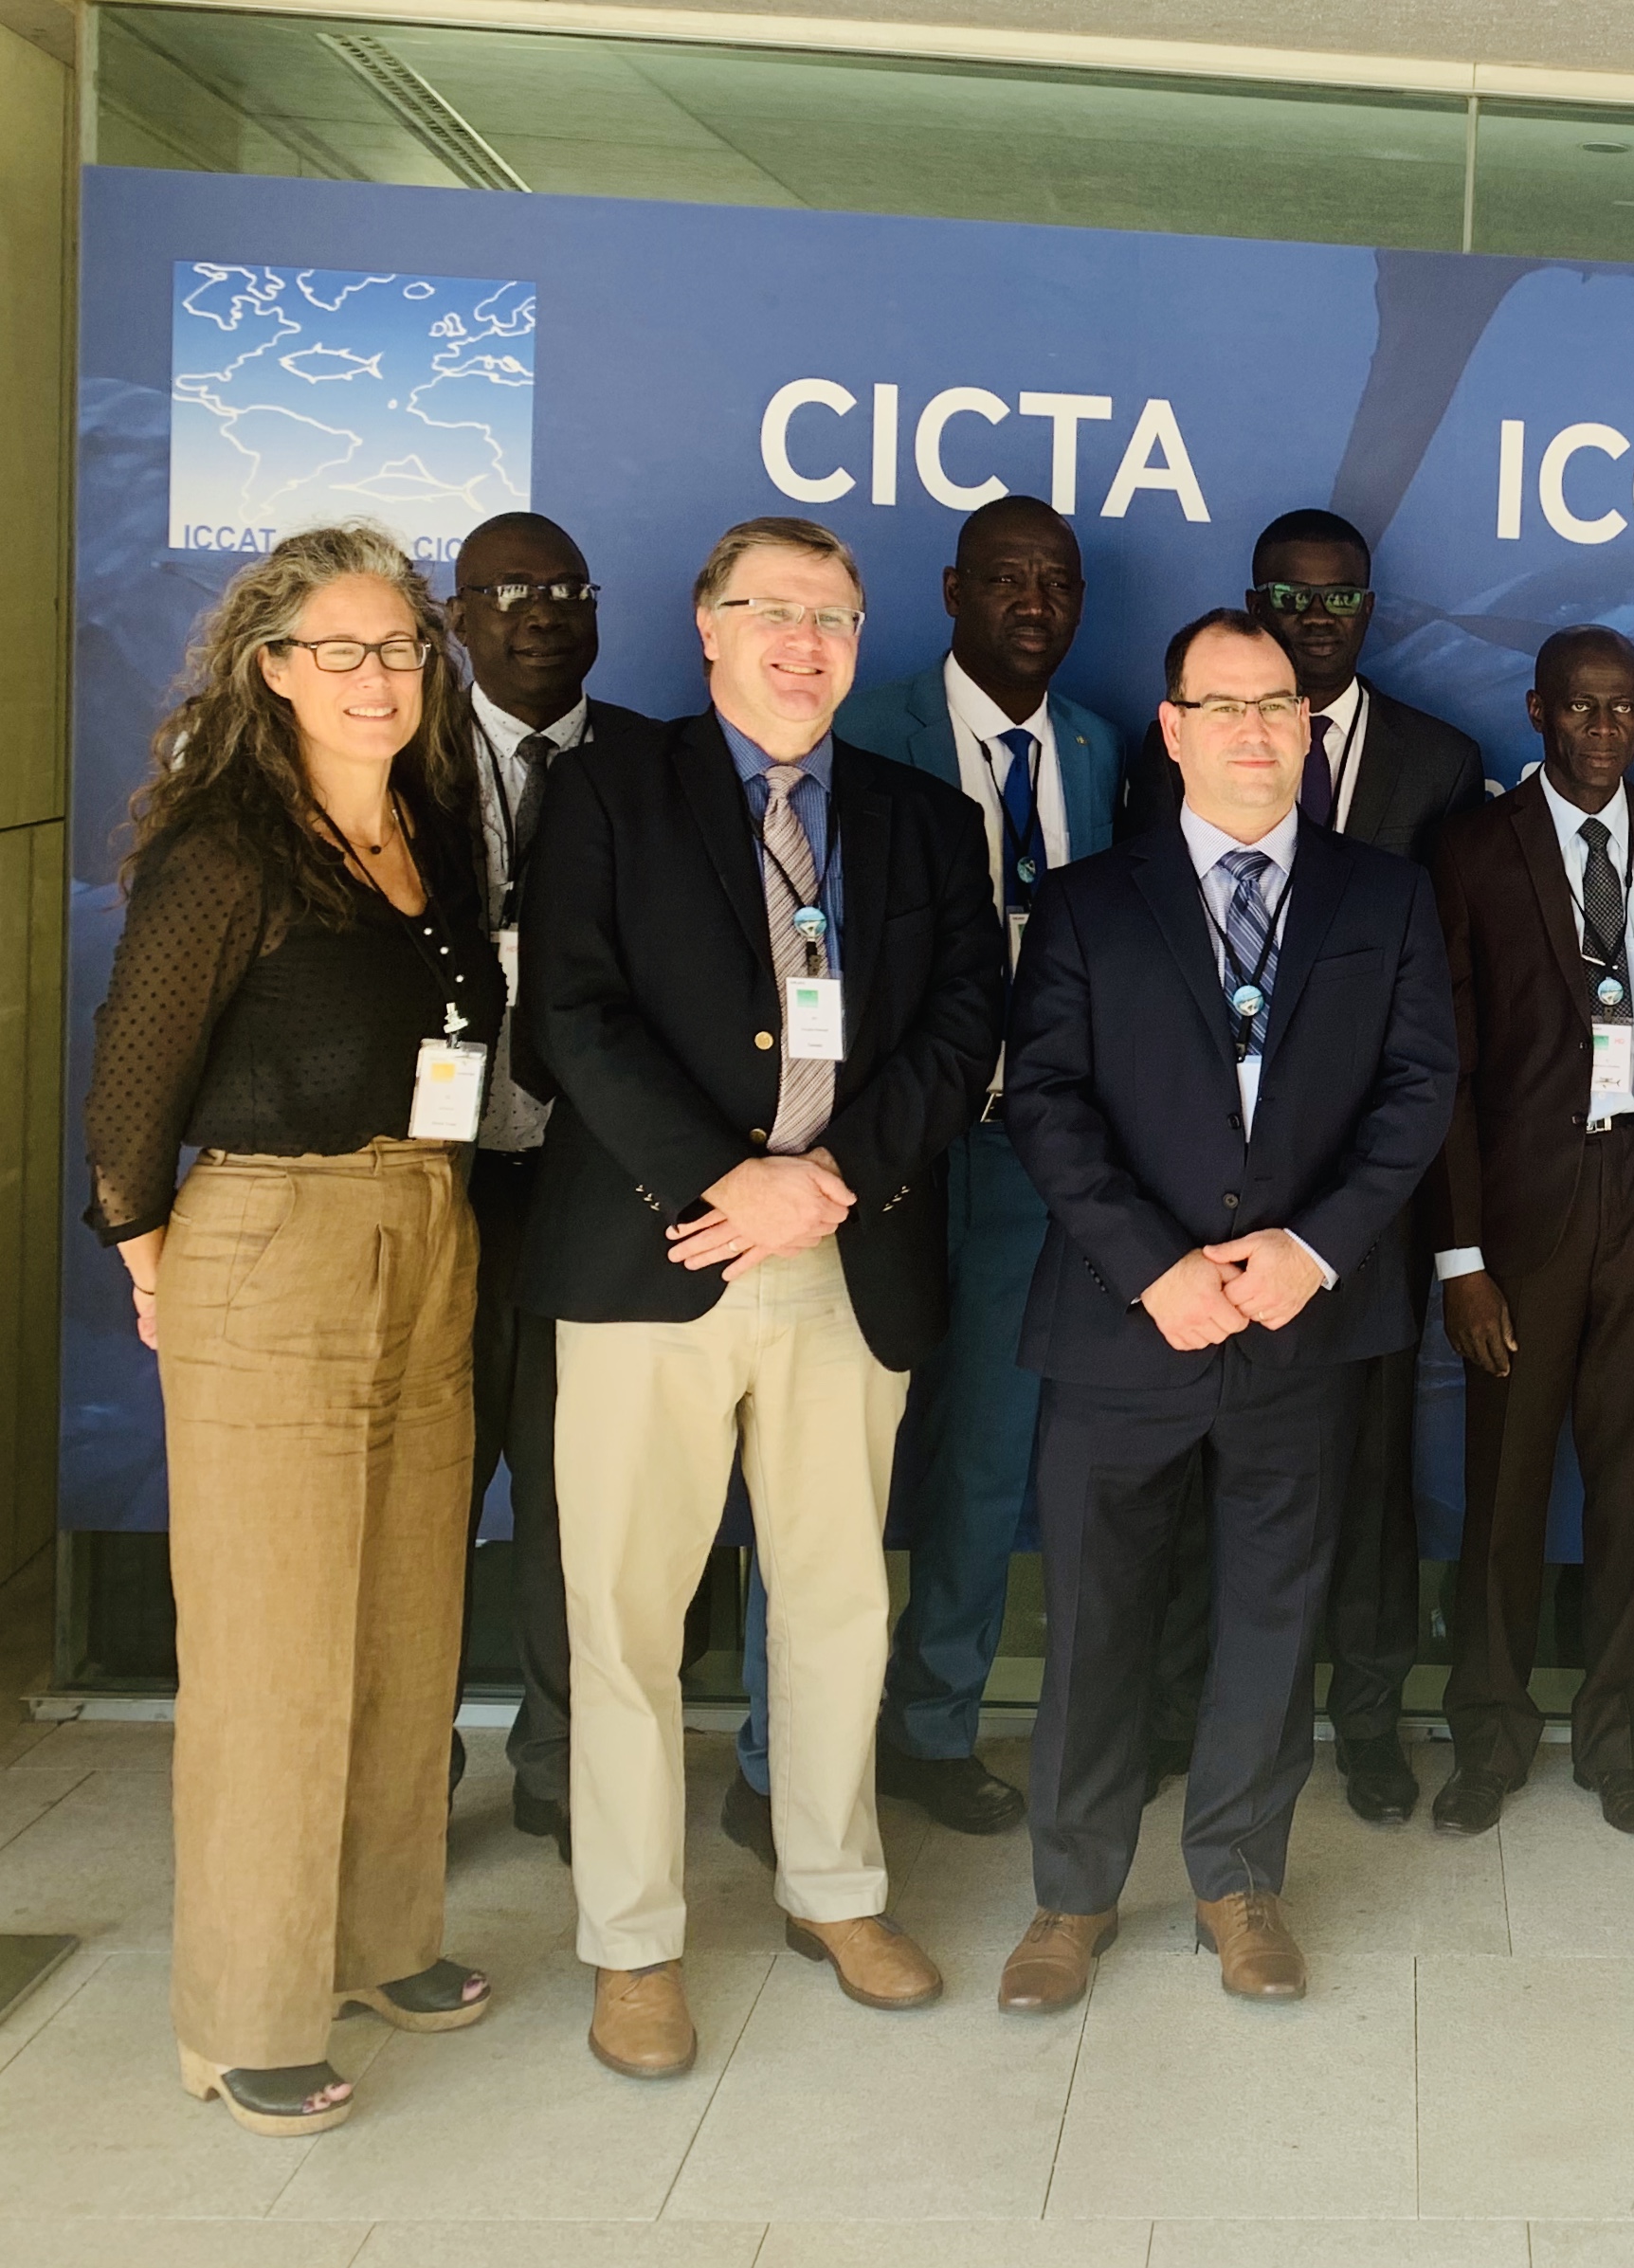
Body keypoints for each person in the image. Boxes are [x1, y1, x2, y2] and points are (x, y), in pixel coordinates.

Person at [525, 517, 1006, 2078]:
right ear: (708, 624)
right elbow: (575, 1015)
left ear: (864, 640)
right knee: (623, 1618)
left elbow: (956, 1026)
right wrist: (724, 1183)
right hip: (654, 1259)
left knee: (837, 1596)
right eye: (772, 610)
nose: (805, 641)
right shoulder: (609, 790)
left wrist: (832, 1178)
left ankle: (833, 1887)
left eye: (833, 616)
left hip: (843, 1263)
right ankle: (636, 1942)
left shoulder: (923, 821)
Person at [85, 521, 504, 2133]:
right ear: (269, 666)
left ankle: (380, 1937)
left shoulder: (434, 834)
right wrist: (142, 1237)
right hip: (271, 1234)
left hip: (430, 1226)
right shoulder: (227, 854)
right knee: (271, 1650)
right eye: (339, 647)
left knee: (405, 1618)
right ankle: (245, 2012)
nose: (378, 676)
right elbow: (135, 1074)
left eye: (401, 647)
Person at [998, 608, 1456, 2012]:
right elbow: (1049, 1104)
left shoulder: (1382, 899)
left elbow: (1417, 1089)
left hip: (1304, 1324)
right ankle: (1071, 1897)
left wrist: (1309, 1250)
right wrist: (1157, 1267)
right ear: (1174, 727)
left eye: (1281, 706)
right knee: (1095, 1622)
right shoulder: (1085, 901)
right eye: (1226, 705)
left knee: (1274, 1612)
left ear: (1308, 728)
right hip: (1123, 1324)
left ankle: (1238, 1881)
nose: (1256, 730)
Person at [729, 494, 1126, 1859]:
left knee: (982, 1459)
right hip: (871, 1152)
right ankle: (780, 1751)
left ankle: (934, 1729)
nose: (1033, 601)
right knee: (822, 1459)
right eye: (1006, 577)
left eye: (1057, 582)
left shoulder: (1097, 745)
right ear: (952, 590)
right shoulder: (863, 724)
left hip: (1033, 1153)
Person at [1206, 505, 1487, 1830]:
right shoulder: (1195, 749)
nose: (1316, 623)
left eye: (1340, 601)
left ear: (1370, 608)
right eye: (1290, 599)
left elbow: (1441, 1004)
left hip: (1365, 1192)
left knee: (1372, 1472)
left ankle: (1367, 1718)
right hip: (1207, 1187)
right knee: (1217, 1466)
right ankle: (1201, 1720)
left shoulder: (1438, 762)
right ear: (1255, 605)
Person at [1424, 626, 1634, 1839]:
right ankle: (1486, 1738)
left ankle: (1618, 1744)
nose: (1602, 732)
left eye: (1623, 711)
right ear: (1537, 709)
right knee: (1501, 1488)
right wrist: (1460, 1256)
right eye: (1579, 710)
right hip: (1519, 1208)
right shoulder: (1469, 851)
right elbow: (1439, 1064)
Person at [445, 510, 652, 1865]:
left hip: (591, 1186)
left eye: (568, 587)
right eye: (511, 589)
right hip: (434, 1192)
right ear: (454, 615)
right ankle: (401, 1776)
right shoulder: (387, 754)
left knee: (586, 1505)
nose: (543, 610)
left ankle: (564, 1765)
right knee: (424, 1496)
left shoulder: (649, 766)